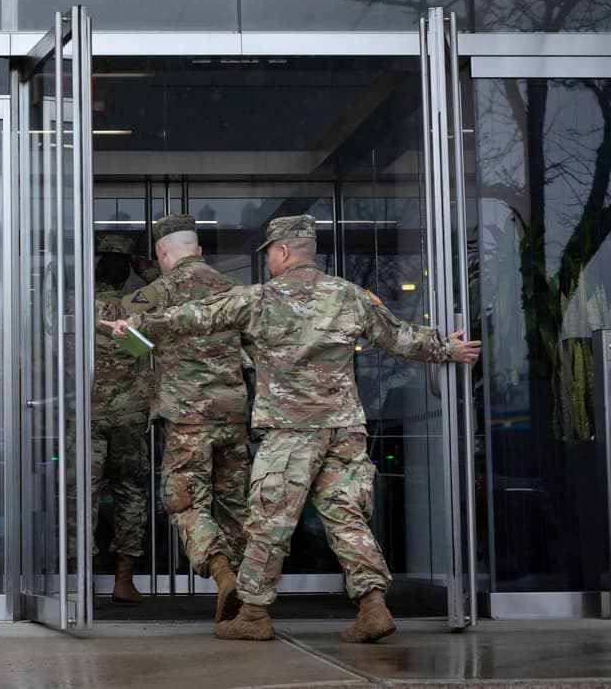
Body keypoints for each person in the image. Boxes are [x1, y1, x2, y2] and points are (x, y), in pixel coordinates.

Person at [105, 215, 481, 643]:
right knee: (346, 516)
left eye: (268, 253)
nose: (268, 261)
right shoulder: (350, 295)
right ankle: (374, 605)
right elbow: (399, 338)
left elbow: (196, 317)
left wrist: (137, 326)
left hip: (291, 431)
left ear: (282, 252)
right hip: (344, 428)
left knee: (268, 522)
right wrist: (447, 348)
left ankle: (252, 613)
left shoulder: (260, 299)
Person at [122, 214, 249, 623]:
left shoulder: (152, 294)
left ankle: (222, 573)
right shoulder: (236, 289)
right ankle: (250, 598)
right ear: (199, 251)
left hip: (186, 419)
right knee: (235, 505)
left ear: (162, 252)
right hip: (233, 415)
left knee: (185, 501)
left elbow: (131, 346)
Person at [90, 232, 154, 602]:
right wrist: (149, 274)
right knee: (129, 494)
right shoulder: (136, 307)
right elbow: (184, 292)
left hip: (88, 417)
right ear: (126, 268)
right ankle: (123, 580)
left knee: (83, 495)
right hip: (130, 416)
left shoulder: (78, 305)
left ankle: (79, 579)